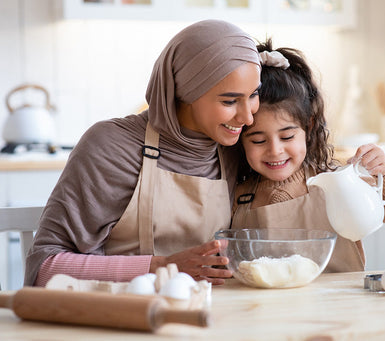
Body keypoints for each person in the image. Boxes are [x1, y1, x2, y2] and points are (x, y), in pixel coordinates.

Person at [25, 19, 262, 287]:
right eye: (229, 101)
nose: (247, 117)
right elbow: (44, 269)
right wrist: (162, 267)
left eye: (254, 94)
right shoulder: (110, 147)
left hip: (214, 315)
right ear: (185, 92)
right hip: (120, 319)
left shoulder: (237, 149)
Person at [231, 39, 385, 272]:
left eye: (286, 137)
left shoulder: (338, 183)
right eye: (258, 140)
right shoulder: (239, 196)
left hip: (339, 305)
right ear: (240, 139)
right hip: (269, 307)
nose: (275, 150)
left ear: (309, 127)